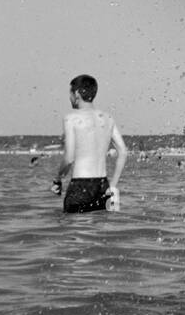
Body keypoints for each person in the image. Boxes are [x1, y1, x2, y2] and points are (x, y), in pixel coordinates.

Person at [53, 75, 128, 213]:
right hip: (103, 185)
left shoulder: (71, 118)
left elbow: (69, 158)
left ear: (76, 93)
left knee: (74, 231)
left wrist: (57, 179)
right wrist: (112, 185)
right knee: (98, 233)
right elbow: (123, 152)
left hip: (81, 185)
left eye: (70, 93)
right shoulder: (108, 118)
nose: (69, 98)